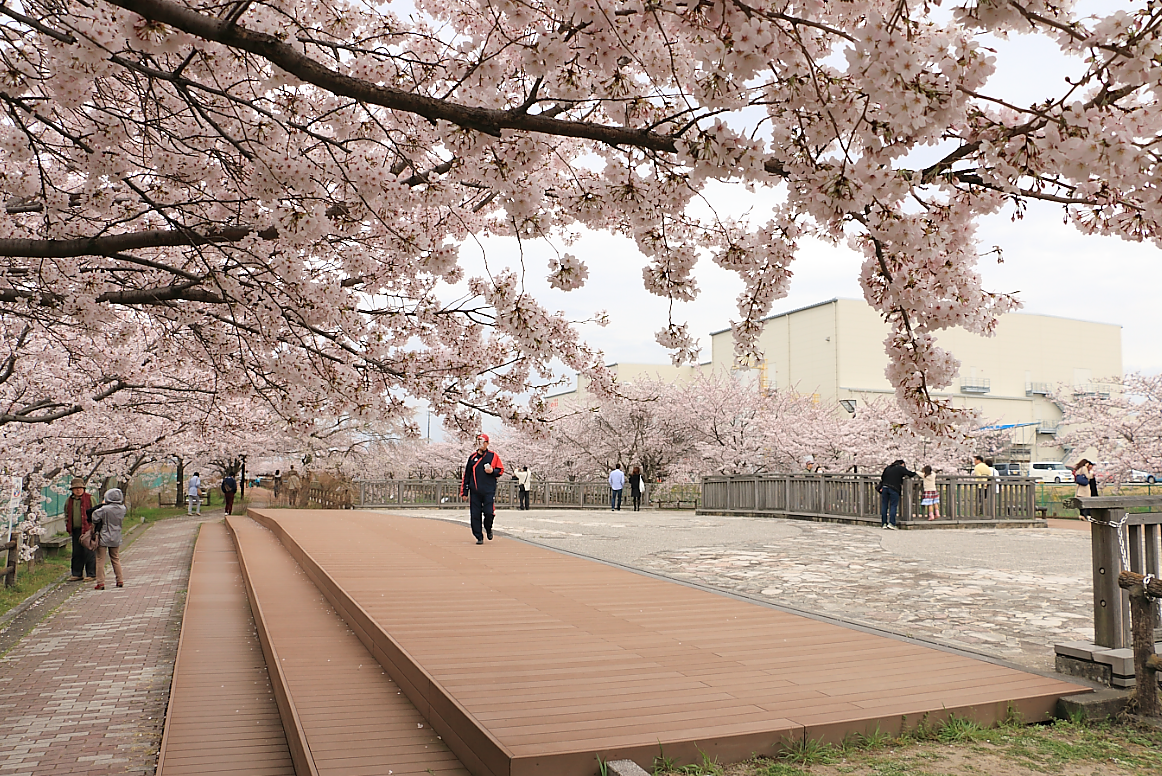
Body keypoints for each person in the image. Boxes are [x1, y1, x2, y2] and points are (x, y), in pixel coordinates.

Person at [461, 433, 504, 544]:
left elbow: (501, 470)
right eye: (478, 441)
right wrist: (464, 491)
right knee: (475, 514)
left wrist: (492, 471)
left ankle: (488, 528)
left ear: (487, 443)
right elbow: (467, 475)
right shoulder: (472, 457)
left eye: (482, 441)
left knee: (489, 513)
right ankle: (479, 536)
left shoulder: (493, 456)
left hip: (489, 490)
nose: (480, 444)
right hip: (475, 491)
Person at [91, 487, 126, 590]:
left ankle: (100, 582)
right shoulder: (123, 508)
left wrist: (102, 504)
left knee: (100, 559)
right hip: (116, 536)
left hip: (104, 536)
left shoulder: (104, 509)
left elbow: (94, 517)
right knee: (115, 558)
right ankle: (120, 580)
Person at [63, 477, 96, 582]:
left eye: (80, 488)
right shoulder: (70, 500)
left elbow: (96, 512)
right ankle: (77, 573)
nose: (78, 490)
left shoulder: (90, 498)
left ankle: (91, 573)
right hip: (75, 530)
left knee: (89, 551)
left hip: (88, 530)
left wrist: (94, 528)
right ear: (72, 490)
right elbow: (67, 514)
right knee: (76, 552)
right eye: (76, 488)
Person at [878, 459, 916, 529]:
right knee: (893, 506)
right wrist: (917, 473)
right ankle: (891, 523)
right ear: (902, 464)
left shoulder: (888, 468)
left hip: (885, 488)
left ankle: (884, 523)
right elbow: (910, 474)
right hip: (893, 488)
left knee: (884, 506)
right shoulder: (900, 468)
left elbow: (882, 477)